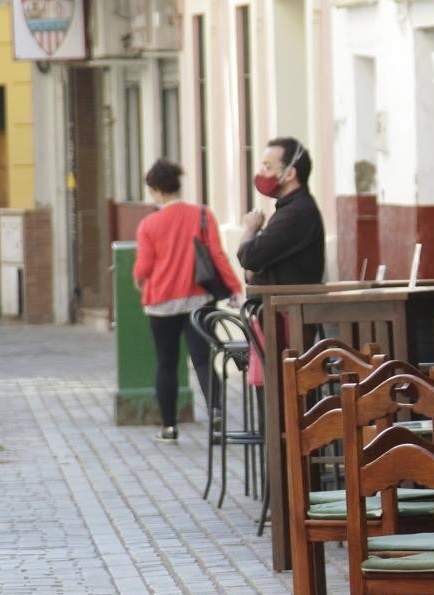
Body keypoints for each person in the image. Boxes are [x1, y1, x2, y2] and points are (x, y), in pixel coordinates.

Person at [133, 158, 242, 442]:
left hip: (161, 301)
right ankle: (216, 415)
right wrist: (233, 288)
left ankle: (169, 427)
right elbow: (217, 255)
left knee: (166, 363)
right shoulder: (203, 215)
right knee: (204, 361)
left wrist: (137, 277)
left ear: (156, 189)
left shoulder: (149, 224)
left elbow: (144, 266)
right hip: (199, 299)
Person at [237, 137, 325, 285]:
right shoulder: (289, 208)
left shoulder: (297, 212)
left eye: (268, 167)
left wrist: (251, 229)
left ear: (290, 174)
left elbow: (248, 257)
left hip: (285, 306)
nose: (261, 173)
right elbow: (253, 266)